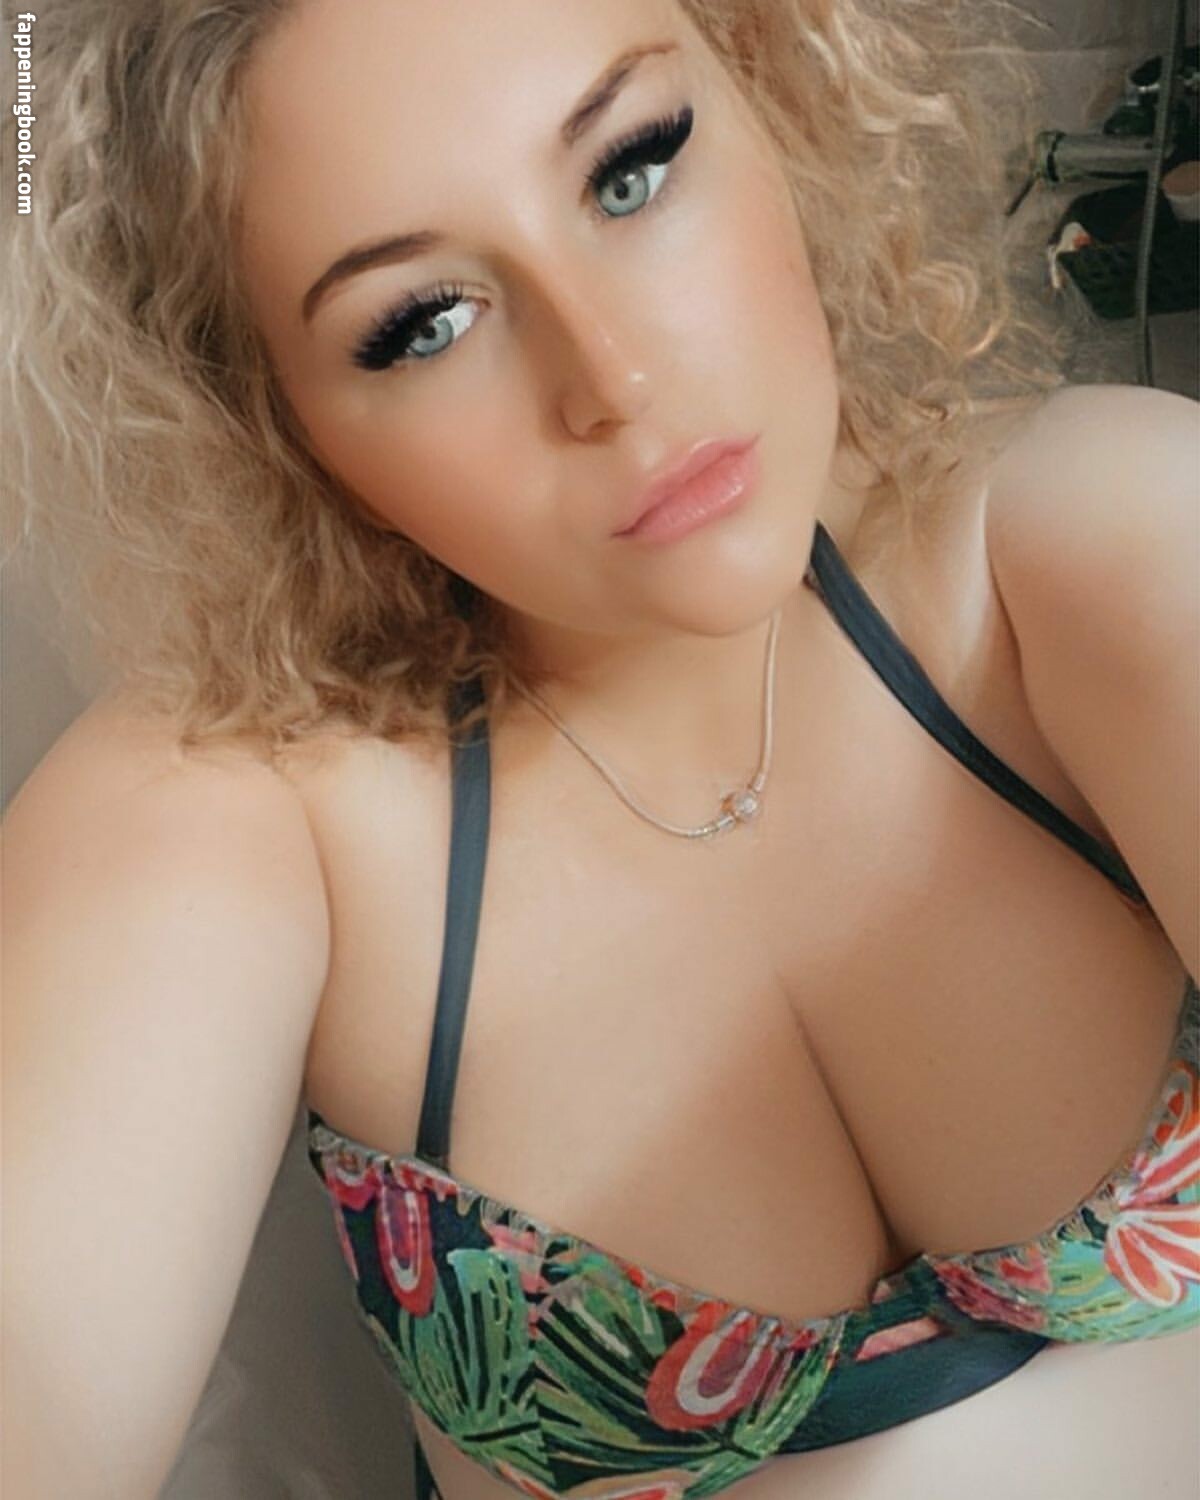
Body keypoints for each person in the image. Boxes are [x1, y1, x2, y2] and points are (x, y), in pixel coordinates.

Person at [3, 0, 1197, 1496]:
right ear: (269, 419)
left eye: (631, 171)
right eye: (423, 323)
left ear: (770, 96)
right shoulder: (236, 805)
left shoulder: (1089, 542)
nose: (615, 379)